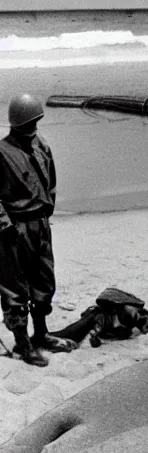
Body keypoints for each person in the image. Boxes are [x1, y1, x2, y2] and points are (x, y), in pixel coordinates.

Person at [0, 93, 74, 367]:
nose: (34, 128)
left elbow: (50, 182)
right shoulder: (2, 153)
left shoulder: (41, 145)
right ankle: (22, 343)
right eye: (30, 122)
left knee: (43, 282)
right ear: (17, 123)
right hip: (14, 229)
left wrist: (45, 213)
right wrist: (5, 224)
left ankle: (41, 334)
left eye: (36, 122)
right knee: (14, 288)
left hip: (40, 225)